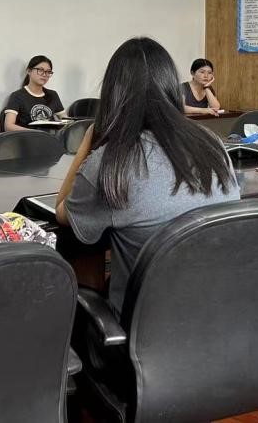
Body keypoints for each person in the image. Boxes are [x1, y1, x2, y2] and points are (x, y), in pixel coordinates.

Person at [56, 38, 239, 312]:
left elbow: (62, 212)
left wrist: (89, 139)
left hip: (146, 326)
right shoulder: (211, 143)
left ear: (113, 92)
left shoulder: (111, 162)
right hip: (222, 311)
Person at [1, 55, 65, 131]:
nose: (44, 74)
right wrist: (35, 133)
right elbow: (8, 126)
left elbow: (65, 120)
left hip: (49, 137)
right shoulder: (17, 96)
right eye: (40, 70)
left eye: (48, 72)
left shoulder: (53, 95)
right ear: (29, 71)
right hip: (27, 137)